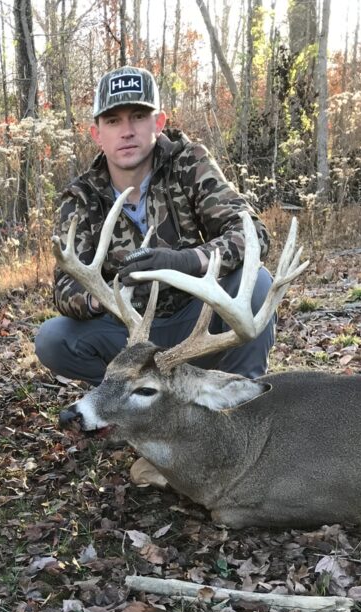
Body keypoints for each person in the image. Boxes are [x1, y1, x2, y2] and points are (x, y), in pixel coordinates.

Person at [35, 65, 275, 389]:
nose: (127, 131)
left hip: (195, 322)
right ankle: (135, 399)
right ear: (97, 134)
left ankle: (238, 406)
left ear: (158, 123)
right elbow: (66, 288)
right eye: (113, 121)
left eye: (137, 116)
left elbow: (252, 234)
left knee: (257, 284)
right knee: (53, 338)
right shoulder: (80, 197)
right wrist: (108, 296)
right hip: (128, 337)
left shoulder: (189, 163)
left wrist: (187, 261)